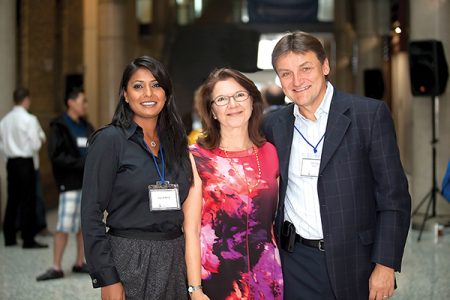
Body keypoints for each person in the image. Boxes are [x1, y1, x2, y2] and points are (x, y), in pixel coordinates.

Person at [262, 31, 411, 300]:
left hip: (356, 260)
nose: (297, 81)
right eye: (286, 73)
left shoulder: (369, 115)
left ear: (325, 66)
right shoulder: (273, 125)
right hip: (294, 262)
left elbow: (394, 198)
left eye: (305, 68)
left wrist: (385, 264)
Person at [81, 56, 197, 300]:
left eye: (156, 85)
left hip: (175, 257)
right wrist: (107, 277)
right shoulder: (110, 141)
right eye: (138, 86)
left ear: (166, 94)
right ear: (125, 94)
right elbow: (90, 213)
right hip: (129, 257)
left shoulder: (176, 143)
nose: (148, 93)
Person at [188, 68, 283, 299]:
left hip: (266, 274)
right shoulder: (197, 156)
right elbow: (190, 230)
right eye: (222, 99)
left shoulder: (271, 152)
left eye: (240, 95)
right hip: (216, 277)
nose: (233, 104)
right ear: (212, 110)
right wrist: (195, 288)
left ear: (252, 101)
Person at [37, 87, 94, 281]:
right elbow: (56, 156)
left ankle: (80, 262)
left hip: (86, 183)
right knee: (63, 226)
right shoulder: (59, 126)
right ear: (71, 102)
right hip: (69, 184)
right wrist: (82, 163)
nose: (85, 105)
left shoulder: (87, 126)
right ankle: (56, 266)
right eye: (83, 100)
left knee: (82, 226)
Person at [0, 87, 48, 249]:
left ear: (14, 100)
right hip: (26, 162)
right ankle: (28, 239)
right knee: (28, 200)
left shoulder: (4, 121)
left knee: (12, 199)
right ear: (26, 99)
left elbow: (1, 145)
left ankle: (9, 237)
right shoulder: (30, 120)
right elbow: (35, 144)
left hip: (11, 162)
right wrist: (40, 141)